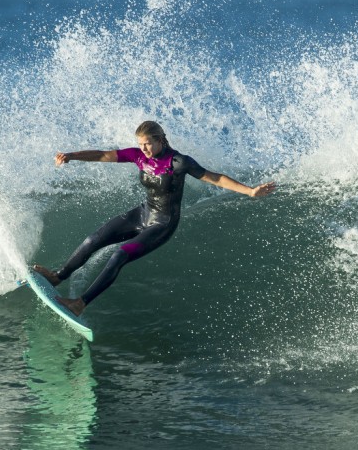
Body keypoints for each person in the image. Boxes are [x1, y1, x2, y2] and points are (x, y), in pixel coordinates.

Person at [33, 120, 277, 316]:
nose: (144, 149)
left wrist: (250, 191)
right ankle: (58, 277)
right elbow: (102, 155)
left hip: (162, 224)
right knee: (93, 239)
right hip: (143, 213)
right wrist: (71, 155)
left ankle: (80, 303)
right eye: (140, 144)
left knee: (120, 255)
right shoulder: (138, 156)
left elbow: (214, 177)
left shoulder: (178, 162)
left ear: (161, 140)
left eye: (148, 144)